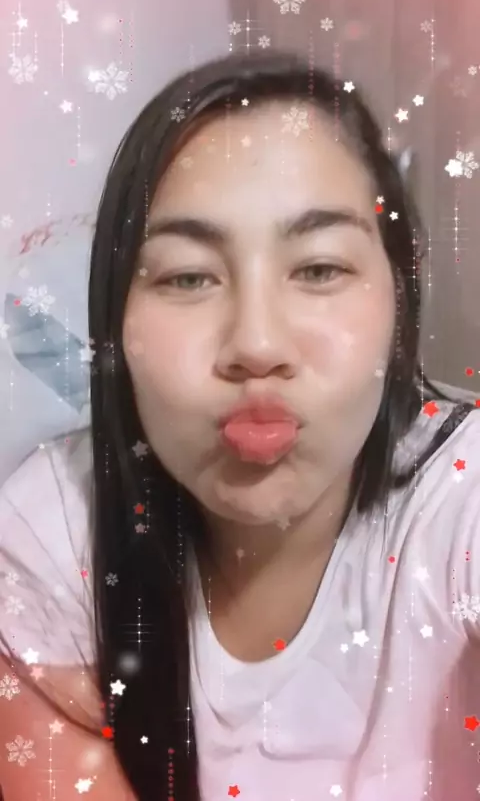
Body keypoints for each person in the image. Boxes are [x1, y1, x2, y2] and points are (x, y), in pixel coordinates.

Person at [0, 50, 479, 801]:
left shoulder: (461, 507)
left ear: (398, 299)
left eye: (319, 269)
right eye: (188, 276)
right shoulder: (55, 531)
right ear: (114, 322)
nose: (256, 344)